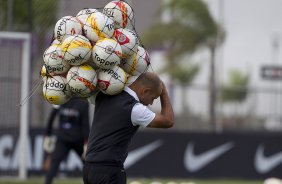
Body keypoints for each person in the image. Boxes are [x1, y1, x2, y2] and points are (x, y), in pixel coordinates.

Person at [83, 72, 174, 184]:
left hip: (88, 169)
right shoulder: (134, 109)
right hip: (109, 172)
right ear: (145, 91)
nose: (151, 103)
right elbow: (168, 121)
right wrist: (163, 91)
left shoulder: (105, 94)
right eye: (153, 98)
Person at [43, 97, 90, 184]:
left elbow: (51, 118)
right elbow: (85, 125)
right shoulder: (83, 103)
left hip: (63, 137)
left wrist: (47, 135)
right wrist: (87, 142)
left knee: (54, 163)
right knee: (88, 164)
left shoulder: (61, 98)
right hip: (76, 138)